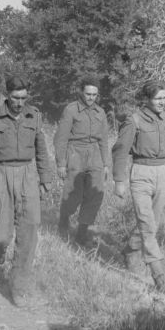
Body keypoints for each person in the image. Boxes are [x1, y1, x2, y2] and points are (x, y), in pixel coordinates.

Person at [0, 76, 53, 307]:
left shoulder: (34, 116)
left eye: (23, 97)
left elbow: (41, 150)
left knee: (29, 232)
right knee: (0, 234)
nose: (20, 102)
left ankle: (18, 285)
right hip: (1, 174)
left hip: (28, 174)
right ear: (7, 95)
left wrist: (45, 178)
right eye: (15, 98)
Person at [112, 80, 165, 293]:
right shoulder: (134, 121)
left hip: (163, 172)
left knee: (153, 222)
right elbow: (120, 151)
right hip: (141, 173)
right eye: (158, 98)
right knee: (147, 224)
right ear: (147, 99)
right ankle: (159, 276)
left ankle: (129, 250)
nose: (162, 102)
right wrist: (119, 181)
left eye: (164, 98)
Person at [53, 76, 110, 247]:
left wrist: (106, 164)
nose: (91, 98)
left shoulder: (100, 112)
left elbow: (104, 140)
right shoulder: (71, 110)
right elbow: (61, 138)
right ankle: (63, 221)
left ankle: (81, 233)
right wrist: (61, 163)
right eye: (88, 94)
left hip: (95, 155)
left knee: (95, 193)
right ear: (81, 92)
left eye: (94, 95)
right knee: (73, 193)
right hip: (75, 152)